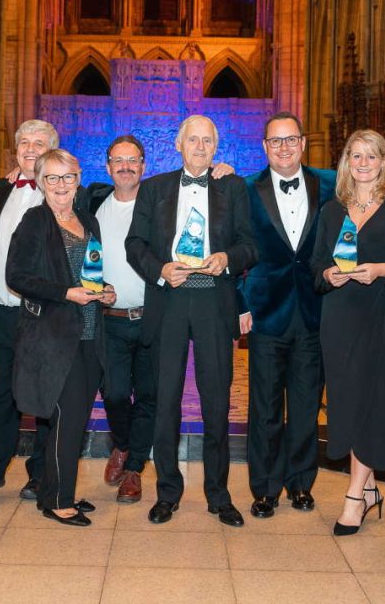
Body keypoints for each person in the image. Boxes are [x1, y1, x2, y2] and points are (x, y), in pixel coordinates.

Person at [125, 114, 258, 527]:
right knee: (165, 401)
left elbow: (250, 245)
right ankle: (168, 492)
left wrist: (227, 259)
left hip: (214, 306)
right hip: (168, 303)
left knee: (217, 403)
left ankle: (219, 495)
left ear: (215, 147)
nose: (200, 147)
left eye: (207, 141)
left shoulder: (233, 187)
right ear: (178, 145)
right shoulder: (154, 188)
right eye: (193, 140)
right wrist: (161, 269)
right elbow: (135, 244)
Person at [312, 129, 385, 536]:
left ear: (384, 161)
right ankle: (371, 487)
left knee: (371, 401)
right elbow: (315, 267)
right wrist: (327, 275)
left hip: (380, 314)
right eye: (355, 156)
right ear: (346, 162)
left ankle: (354, 498)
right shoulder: (331, 210)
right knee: (344, 402)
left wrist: (379, 270)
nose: (362, 163)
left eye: (371, 156)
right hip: (338, 316)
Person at [6, 149, 116, 525]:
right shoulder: (35, 221)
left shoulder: (88, 220)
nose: (60, 186)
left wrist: (106, 291)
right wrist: (65, 293)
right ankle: (57, 499)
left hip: (88, 334)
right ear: (40, 182)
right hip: (53, 337)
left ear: (78, 179)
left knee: (75, 419)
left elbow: (91, 273)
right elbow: (17, 277)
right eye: (51, 178)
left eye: (67, 177)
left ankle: (58, 490)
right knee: (64, 419)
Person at [237, 113, 336, 518]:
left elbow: (375, 194)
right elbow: (234, 248)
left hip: (315, 310)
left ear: (303, 142)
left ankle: (300, 483)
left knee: (306, 405)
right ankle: (264, 488)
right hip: (264, 312)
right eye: (275, 142)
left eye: (290, 140)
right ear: (264, 147)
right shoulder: (244, 189)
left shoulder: (331, 184)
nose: (283, 148)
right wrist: (241, 303)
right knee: (263, 407)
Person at [0, 119, 57, 499]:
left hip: (43, 312)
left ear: (51, 149)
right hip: (1, 308)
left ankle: (41, 473)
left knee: (42, 394)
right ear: (15, 149)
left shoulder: (66, 190)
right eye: (24, 143)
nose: (30, 148)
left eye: (39, 143)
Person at [84, 135, 154, 504]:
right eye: (118, 160)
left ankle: (135, 470)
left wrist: (222, 173)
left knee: (147, 396)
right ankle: (123, 444)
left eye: (133, 160)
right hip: (107, 320)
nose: (125, 166)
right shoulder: (92, 202)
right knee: (112, 392)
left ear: (144, 165)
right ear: (108, 166)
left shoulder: (159, 203)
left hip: (151, 319)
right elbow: (50, 186)